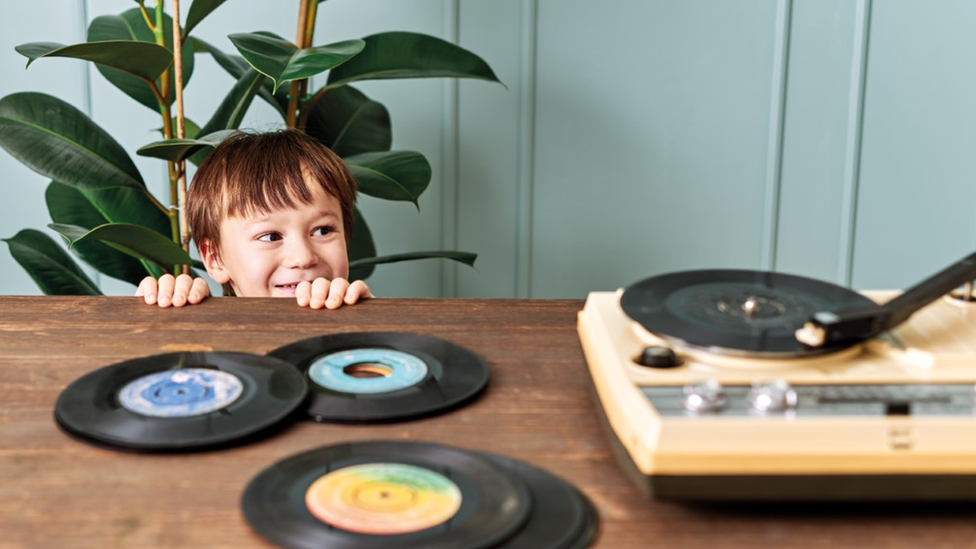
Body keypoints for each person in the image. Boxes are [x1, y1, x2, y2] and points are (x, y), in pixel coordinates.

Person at [135, 129, 372, 309]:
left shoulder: (359, 312)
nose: (303, 258)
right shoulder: (203, 328)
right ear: (216, 258)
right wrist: (163, 310)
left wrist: (367, 317)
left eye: (322, 230)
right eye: (271, 236)